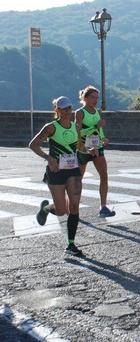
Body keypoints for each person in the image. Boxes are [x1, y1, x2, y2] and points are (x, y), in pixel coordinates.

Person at [29, 96, 84, 256]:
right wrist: (48, 158)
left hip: (73, 170)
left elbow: (80, 146)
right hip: (56, 171)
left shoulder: (76, 127)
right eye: (64, 108)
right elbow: (33, 145)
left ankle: (71, 244)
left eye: (70, 108)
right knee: (61, 211)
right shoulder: (51, 127)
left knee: (74, 207)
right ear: (57, 110)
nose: (68, 111)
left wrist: (92, 149)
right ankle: (46, 208)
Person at [75, 85, 115, 217]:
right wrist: (94, 126)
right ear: (85, 98)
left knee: (104, 176)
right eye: (92, 97)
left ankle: (103, 207)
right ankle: (75, 207)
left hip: (97, 147)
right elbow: (78, 132)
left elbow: (99, 130)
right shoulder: (80, 112)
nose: (95, 100)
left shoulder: (98, 112)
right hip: (84, 149)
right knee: (78, 179)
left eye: (97, 98)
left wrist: (103, 138)